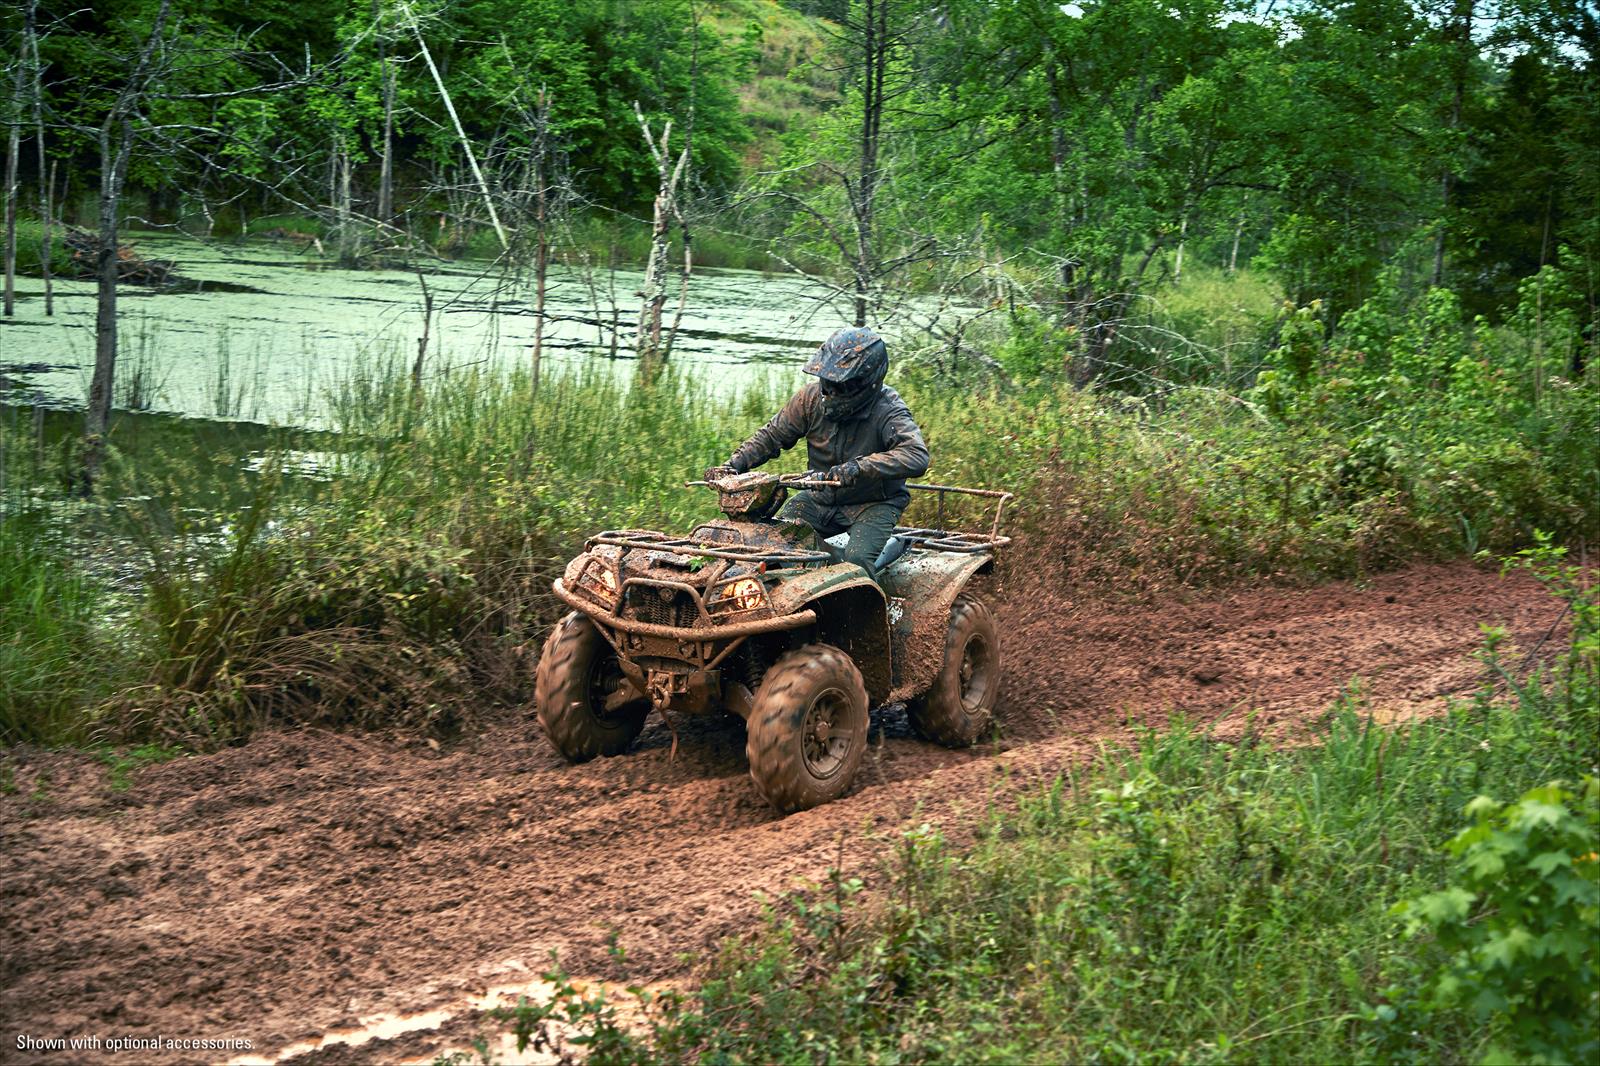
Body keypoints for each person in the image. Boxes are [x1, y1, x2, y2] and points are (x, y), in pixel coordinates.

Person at [705, 326, 929, 578]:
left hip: (873, 503)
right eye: (827, 383)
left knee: (855, 564)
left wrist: (859, 467)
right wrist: (733, 465)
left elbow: (916, 455)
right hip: (819, 498)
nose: (830, 393)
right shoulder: (809, 400)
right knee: (773, 543)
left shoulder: (889, 410)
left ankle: (864, 612)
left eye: (840, 386)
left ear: (865, 384)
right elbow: (771, 436)